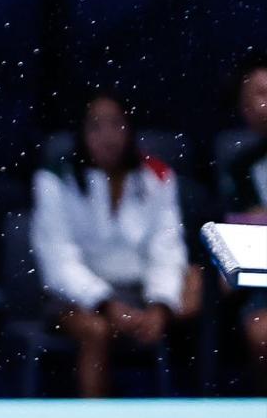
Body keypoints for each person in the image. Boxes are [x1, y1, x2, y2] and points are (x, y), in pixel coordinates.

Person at [31, 91, 189, 398]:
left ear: (130, 129)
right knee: (96, 330)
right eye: (96, 126)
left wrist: (160, 305)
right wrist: (104, 303)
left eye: (116, 124)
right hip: (74, 297)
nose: (108, 136)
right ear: (81, 132)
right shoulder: (54, 179)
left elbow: (166, 248)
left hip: (139, 293)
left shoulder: (158, 176)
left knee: (195, 292)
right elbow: (58, 260)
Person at [214, 54, 267, 391]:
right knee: (261, 332)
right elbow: (240, 234)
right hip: (265, 284)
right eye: (257, 96)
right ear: (244, 110)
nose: (264, 104)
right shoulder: (240, 168)